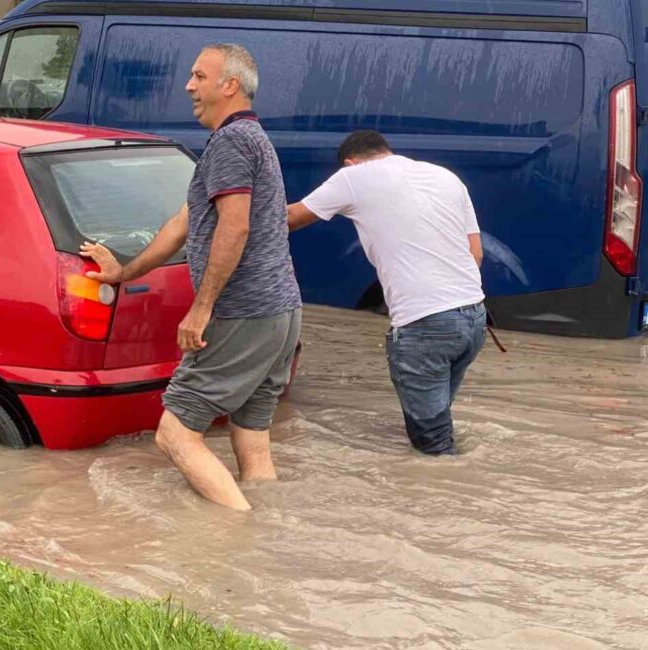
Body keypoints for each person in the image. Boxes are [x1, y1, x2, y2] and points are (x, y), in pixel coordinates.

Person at [82, 44, 302, 510]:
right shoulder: (250, 140)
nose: (188, 86)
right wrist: (123, 272)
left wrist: (200, 309)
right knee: (252, 436)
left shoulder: (231, 143)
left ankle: (233, 534)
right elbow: (181, 225)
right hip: (280, 314)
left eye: (199, 76)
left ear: (230, 86)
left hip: (242, 313)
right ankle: (269, 537)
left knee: (174, 435)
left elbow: (235, 224)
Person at [287, 130, 485, 455]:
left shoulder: (353, 177)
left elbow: (291, 218)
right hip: (473, 319)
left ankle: (444, 497)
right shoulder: (445, 177)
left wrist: (228, 219)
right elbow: (474, 253)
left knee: (433, 449)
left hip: (423, 326)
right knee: (437, 420)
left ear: (350, 163)